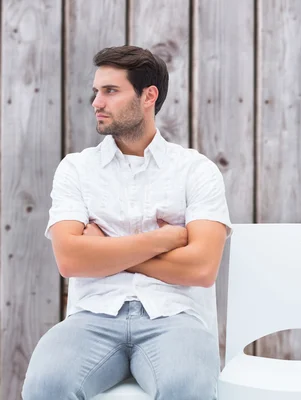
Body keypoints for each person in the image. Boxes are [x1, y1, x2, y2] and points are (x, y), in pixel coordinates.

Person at [22, 45, 231, 400]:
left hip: (175, 317)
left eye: (110, 91)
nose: (96, 102)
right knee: (45, 386)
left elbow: (201, 268)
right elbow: (71, 260)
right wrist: (165, 240)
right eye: (96, 91)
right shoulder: (76, 168)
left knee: (187, 388)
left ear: (149, 96)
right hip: (93, 316)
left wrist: (104, 249)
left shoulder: (196, 170)